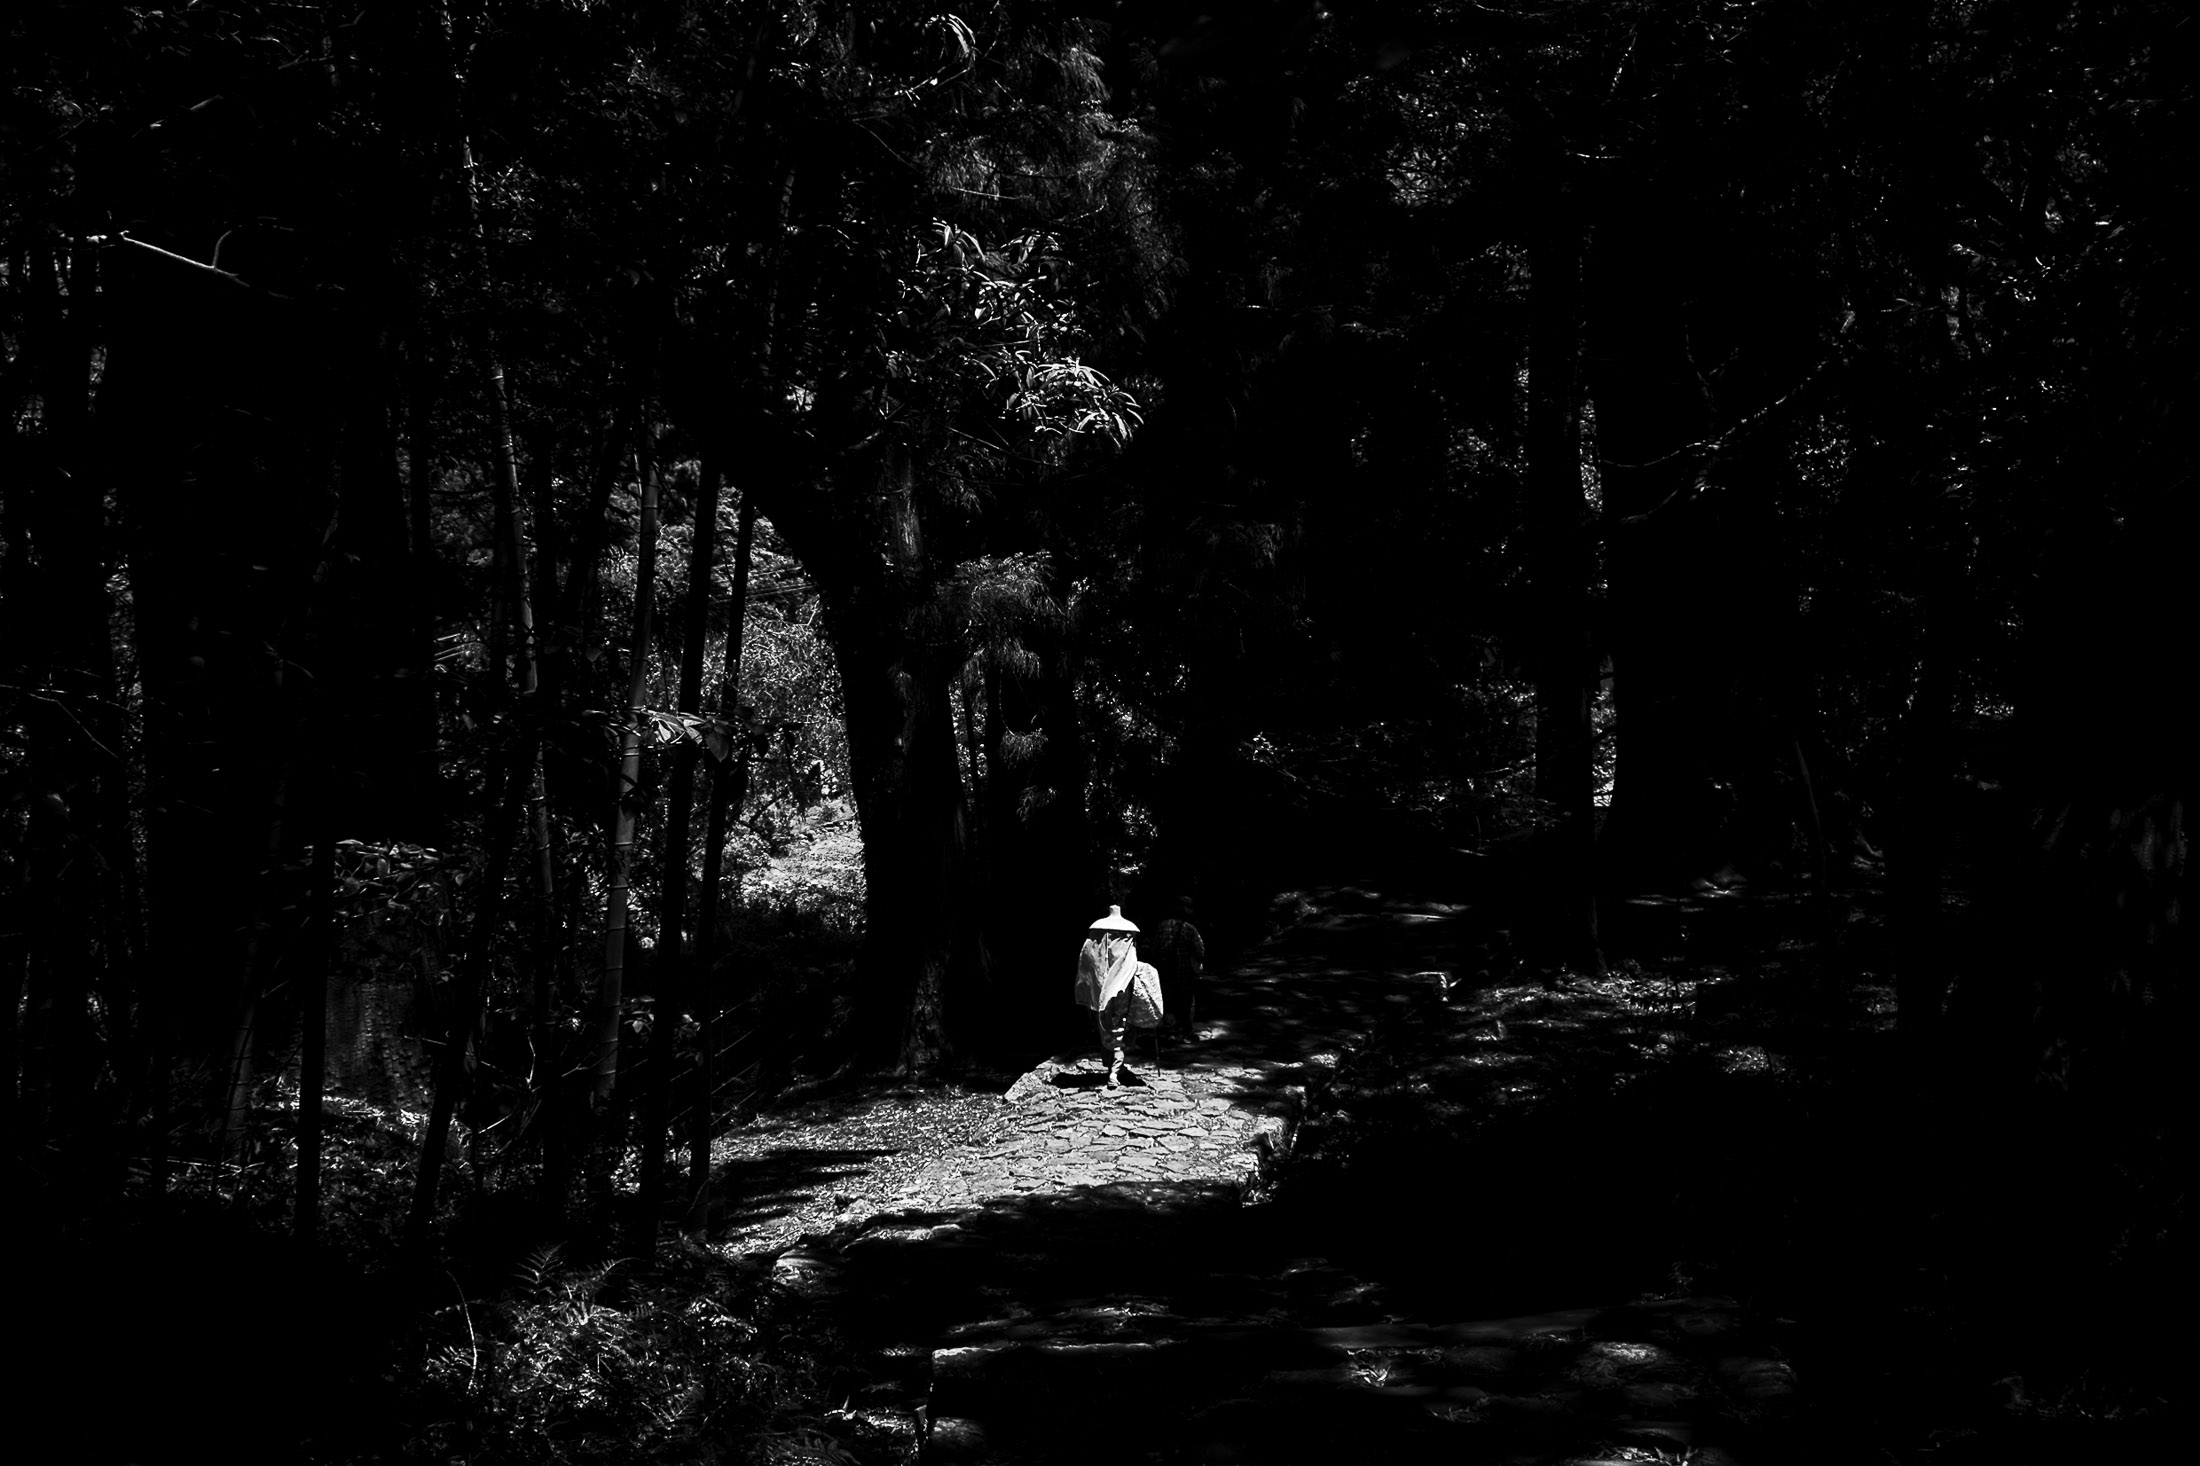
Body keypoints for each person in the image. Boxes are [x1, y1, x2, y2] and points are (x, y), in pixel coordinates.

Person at [1074, 905, 1164, 1087]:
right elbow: (1129, 962)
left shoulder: (1096, 938)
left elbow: (1089, 962)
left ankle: (1114, 1066)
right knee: (1119, 1027)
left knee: (1106, 1026)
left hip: (1100, 987)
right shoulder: (1126, 937)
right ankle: (1114, 1073)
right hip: (1122, 988)